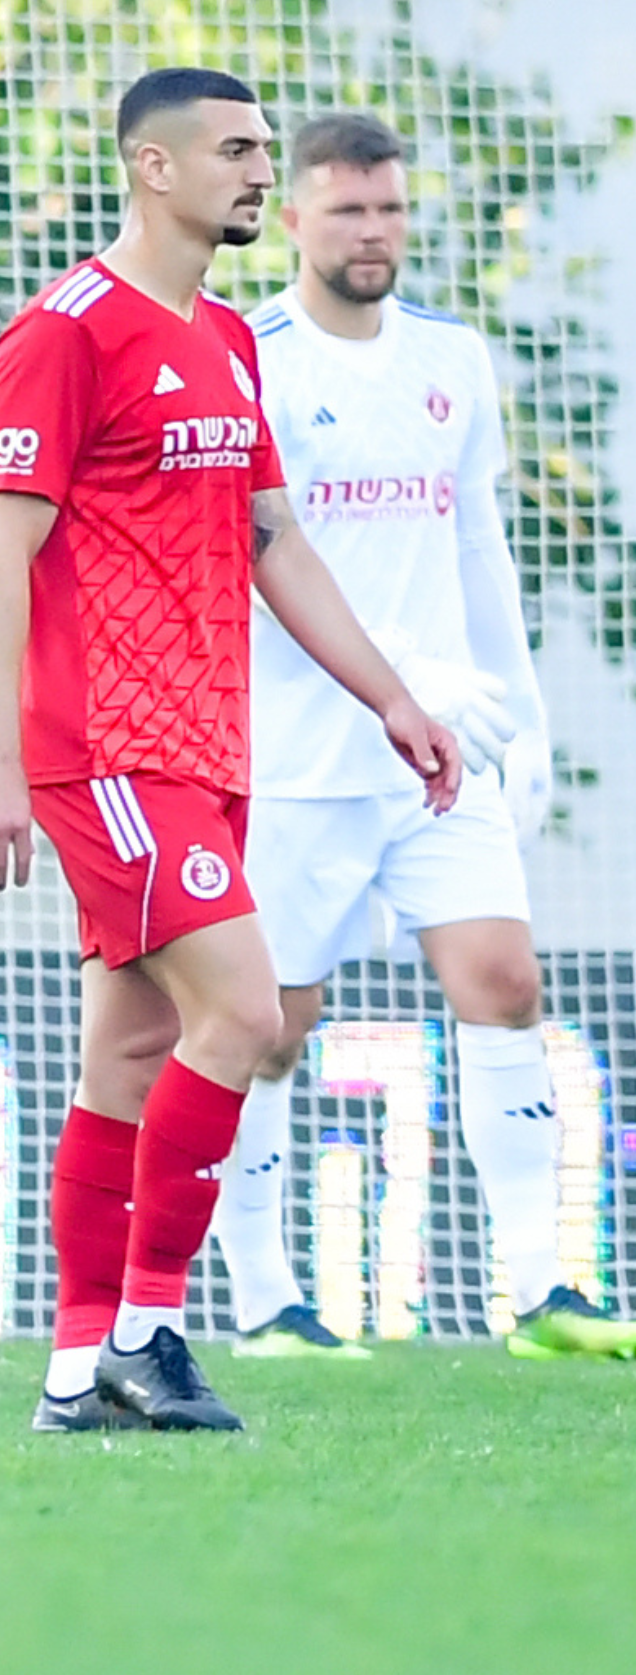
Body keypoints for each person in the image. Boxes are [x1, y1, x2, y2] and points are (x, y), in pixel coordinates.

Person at [0, 68, 464, 1434]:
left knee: (128, 1052)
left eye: (261, 149)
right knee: (241, 1012)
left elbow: (271, 540)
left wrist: (389, 697)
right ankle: (146, 1327)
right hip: (104, 747)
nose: (260, 172)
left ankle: (76, 1376)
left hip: (205, 745)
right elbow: (3, 550)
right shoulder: (65, 332)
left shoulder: (230, 342)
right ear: (153, 169)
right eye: (237, 151)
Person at [212, 111, 636, 1360]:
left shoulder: (451, 358)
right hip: (291, 758)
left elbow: (471, 543)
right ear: (290, 217)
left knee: (502, 983)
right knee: (270, 1026)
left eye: (388, 208)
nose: (372, 232)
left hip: (438, 747)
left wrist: (520, 706)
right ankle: (263, 1297)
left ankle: (541, 1293)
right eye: (346, 210)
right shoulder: (254, 358)